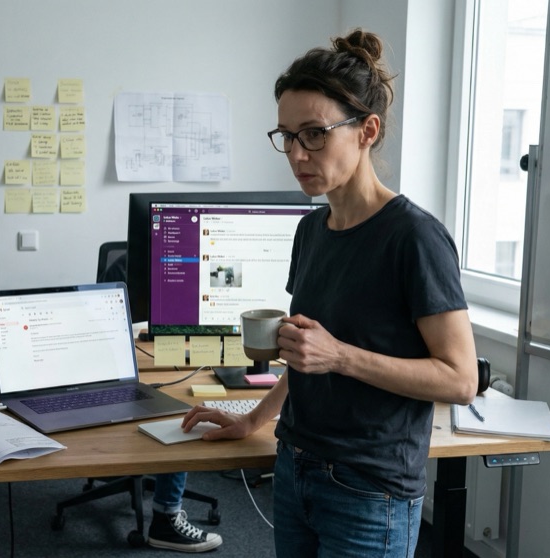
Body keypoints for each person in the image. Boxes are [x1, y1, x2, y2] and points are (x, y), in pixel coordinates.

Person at [181, 28, 478, 558]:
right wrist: (254, 419)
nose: (297, 153)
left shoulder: (414, 238)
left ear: (367, 130)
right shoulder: (311, 231)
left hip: (369, 489)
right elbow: (306, 359)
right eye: (287, 136)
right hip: (295, 467)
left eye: (315, 134)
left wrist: (340, 356)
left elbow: (460, 380)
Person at [98, 250, 222, 553]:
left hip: (182, 348)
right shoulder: (126, 265)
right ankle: (166, 516)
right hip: (128, 354)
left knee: (182, 406)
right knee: (177, 413)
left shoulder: (200, 264)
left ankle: (166, 513)